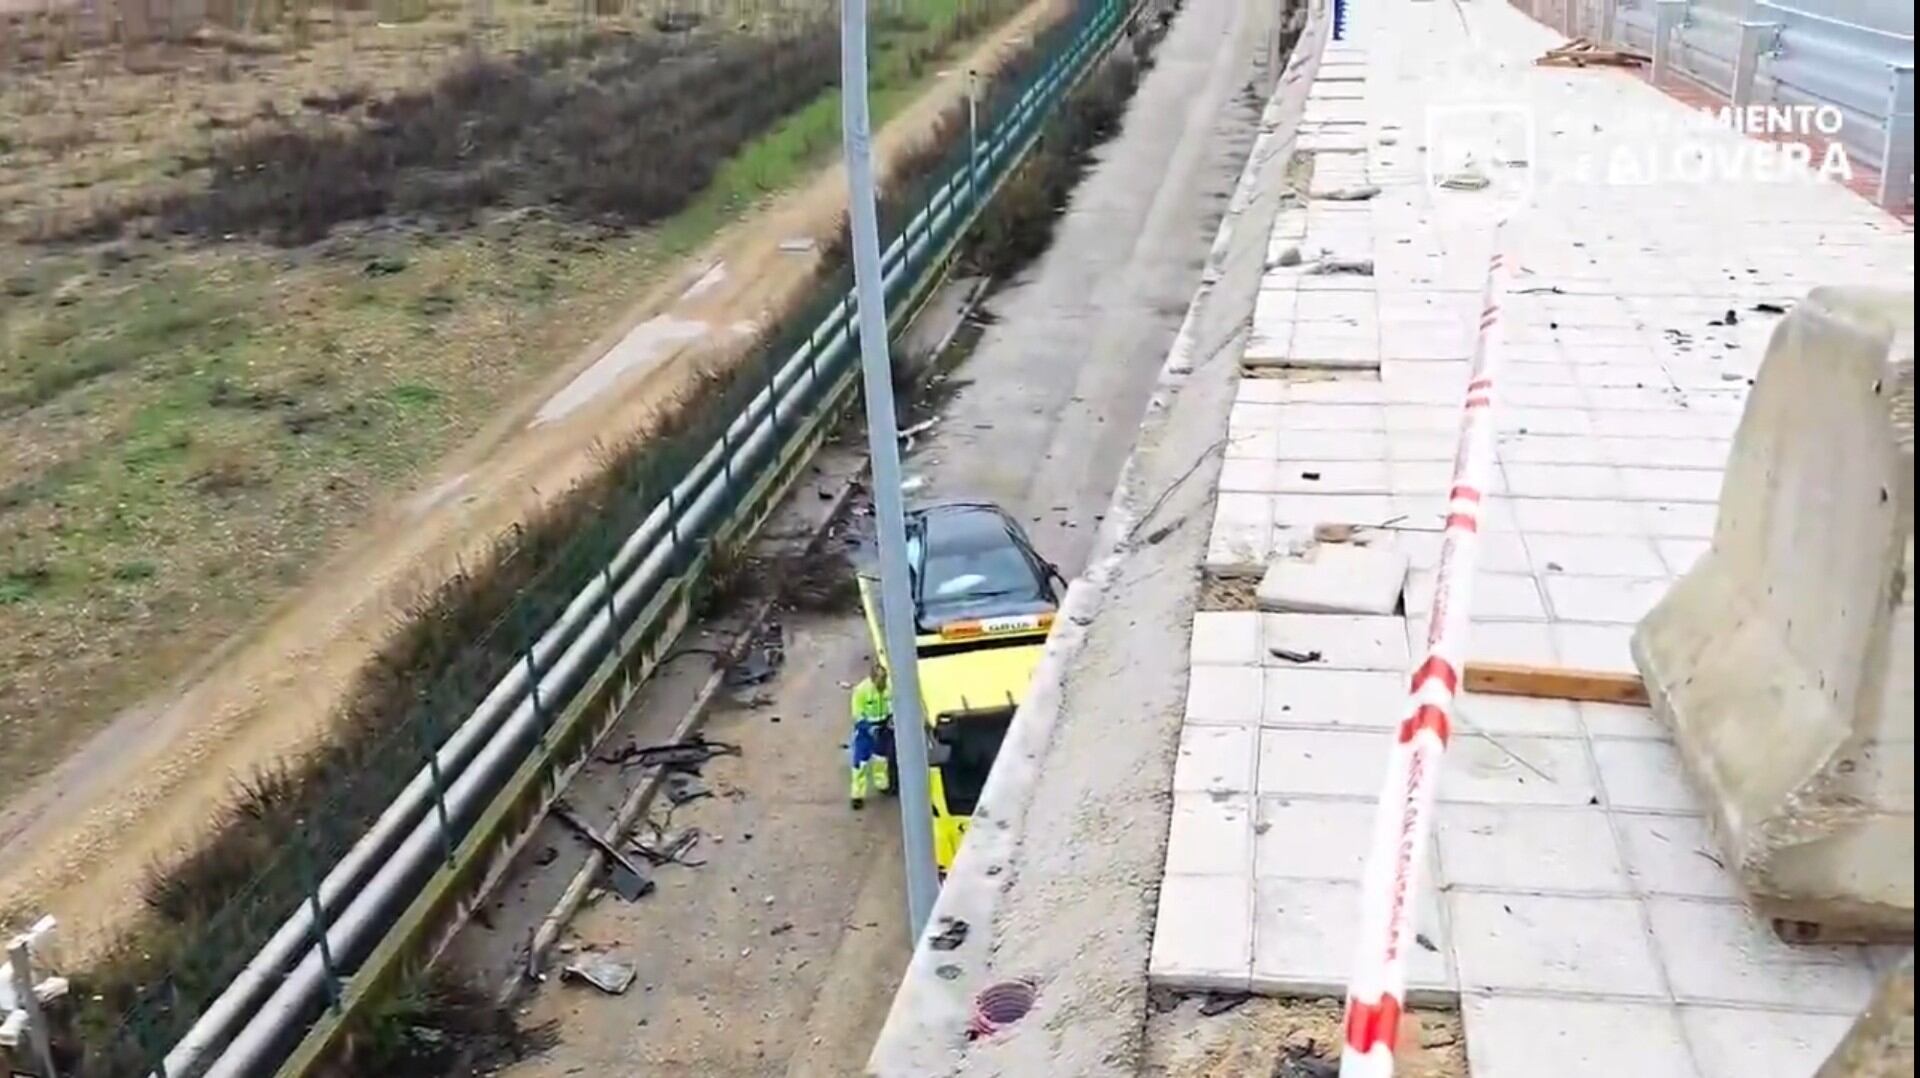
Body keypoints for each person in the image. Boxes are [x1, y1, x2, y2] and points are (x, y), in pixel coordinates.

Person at [848, 662, 895, 809]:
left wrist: (891, 720)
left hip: (883, 727)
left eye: (884, 680)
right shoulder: (861, 691)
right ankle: (857, 795)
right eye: (880, 680)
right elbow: (857, 714)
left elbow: (893, 706)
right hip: (866, 730)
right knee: (860, 763)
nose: (883, 684)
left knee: (881, 759)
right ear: (873, 679)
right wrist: (868, 728)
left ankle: (882, 784)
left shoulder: (889, 688)